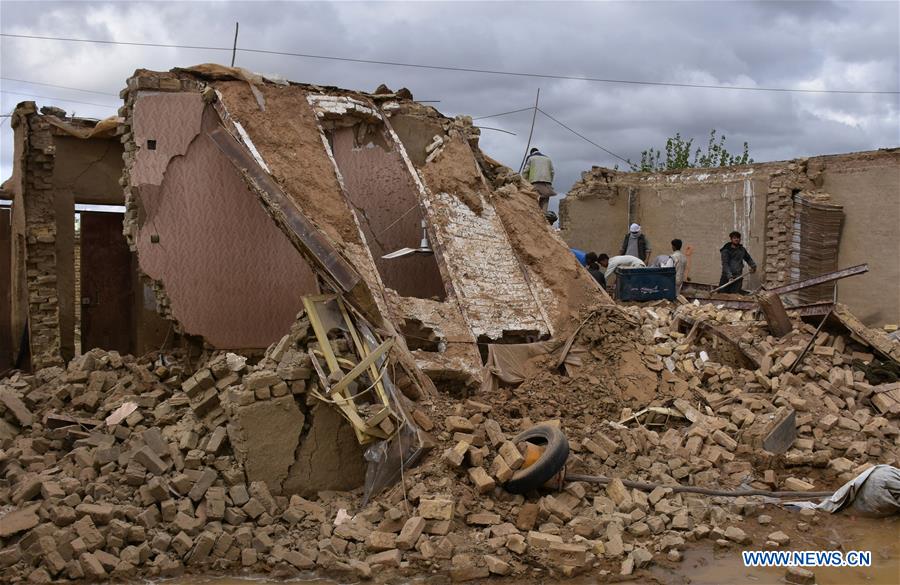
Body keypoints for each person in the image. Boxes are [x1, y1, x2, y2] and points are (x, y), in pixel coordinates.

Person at [522, 147, 555, 211]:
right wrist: (550, 181)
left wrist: (524, 180)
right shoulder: (548, 159)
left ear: (531, 152)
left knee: (534, 198)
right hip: (547, 182)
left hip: (535, 181)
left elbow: (525, 171)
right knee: (545, 199)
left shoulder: (531, 158)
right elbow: (552, 172)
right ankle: (544, 215)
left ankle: (536, 215)